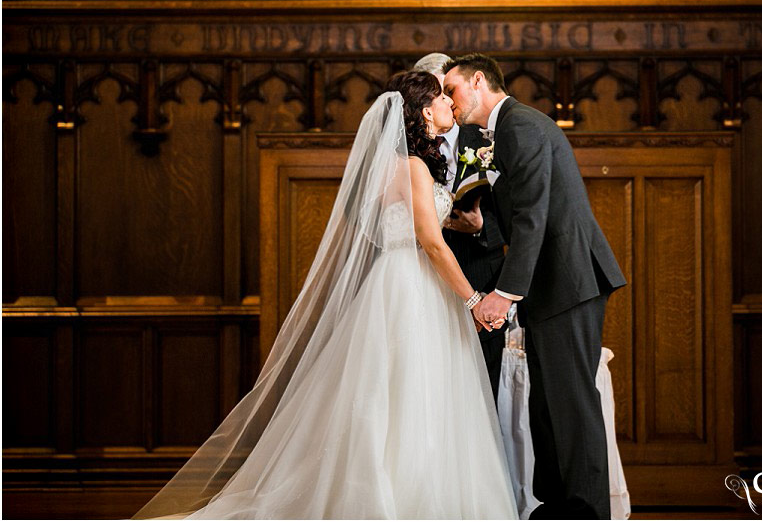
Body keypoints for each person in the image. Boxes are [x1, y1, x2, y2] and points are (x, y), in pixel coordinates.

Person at [132, 71, 518, 520]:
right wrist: (472, 299)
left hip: (395, 280)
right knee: (416, 390)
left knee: (392, 391)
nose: (450, 105)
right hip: (414, 284)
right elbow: (430, 243)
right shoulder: (411, 166)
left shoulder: (396, 166)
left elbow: (396, 224)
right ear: (423, 112)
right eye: (440, 98)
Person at [442, 54, 628, 520]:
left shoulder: (519, 126)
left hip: (568, 276)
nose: (448, 101)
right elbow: (520, 213)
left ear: (478, 81)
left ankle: (584, 511)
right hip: (555, 280)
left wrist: (503, 294)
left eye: (452, 90)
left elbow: (533, 215)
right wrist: (482, 226)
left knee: (570, 399)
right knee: (547, 399)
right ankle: (558, 504)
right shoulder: (505, 130)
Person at [413, 52, 508, 402]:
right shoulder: (405, 152)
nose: (448, 102)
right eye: (438, 95)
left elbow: (516, 212)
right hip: (422, 283)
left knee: (481, 394)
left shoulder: (487, 140)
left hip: (479, 272)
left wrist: (482, 227)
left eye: (448, 92)